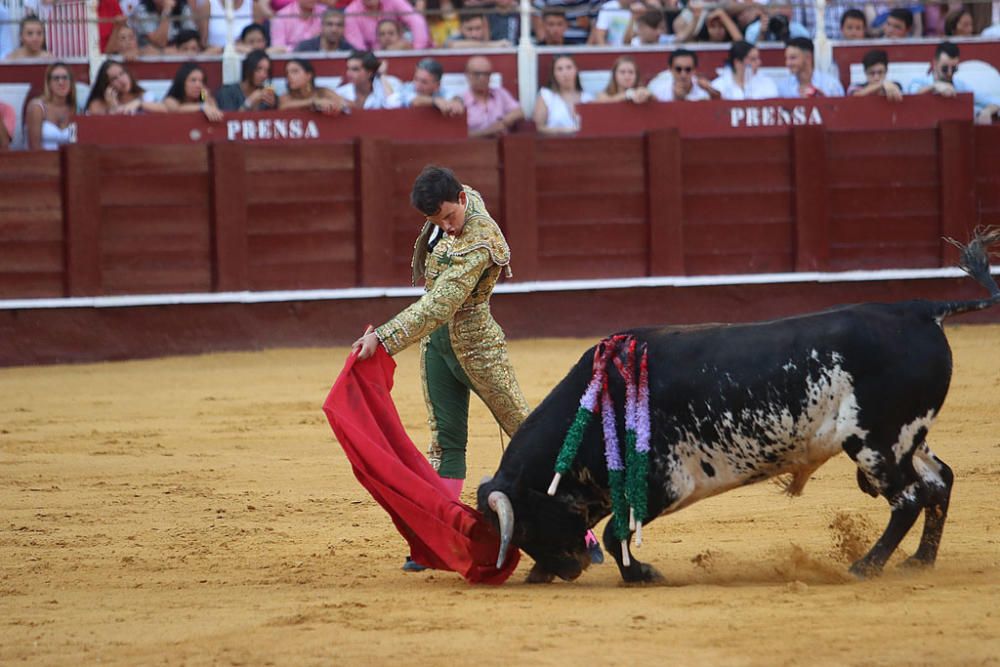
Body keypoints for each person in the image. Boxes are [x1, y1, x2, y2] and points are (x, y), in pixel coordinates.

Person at [351, 165, 532, 572]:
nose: (447, 228)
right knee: (445, 443)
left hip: (479, 347)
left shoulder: (481, 239)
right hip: (437, 347)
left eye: (450, 217)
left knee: (525, 430)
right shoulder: (453, 203)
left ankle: (580, 529)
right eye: (437, 222)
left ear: (463, 201)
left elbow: (440, 303)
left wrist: (383, 338)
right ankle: (438, 540)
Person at [908, 41, 1000, 125]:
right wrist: (934, 86)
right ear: (935, 64)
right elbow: (912, 96)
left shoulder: (960, 86)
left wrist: (987, 111)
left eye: (954, 69)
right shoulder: (920, 81)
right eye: (944, 68)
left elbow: (995, 101)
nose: (949, 73)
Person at [461, 55, 523, 137]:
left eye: (486, 74)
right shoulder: (460, 100)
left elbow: (519, 112)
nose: (482, 78)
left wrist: (503, 122)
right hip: (473, 147)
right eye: (477, 74)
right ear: (467, 74)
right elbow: (459, 134)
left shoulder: (500, 93)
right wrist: (488, 131)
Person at [533, 54, 593, 134]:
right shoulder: (546, 95)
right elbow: (539, 128)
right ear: (554, 74)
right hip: (553, 143)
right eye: (559, 69)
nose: (565, 73)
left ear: (576, 70)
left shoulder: (588, 98)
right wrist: (563, 131)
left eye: (569, 67)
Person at [84, 59, 168, 114]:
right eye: (114, 78)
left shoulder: (144, 96)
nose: (122, 80)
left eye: (122, 73)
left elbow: (165, 110)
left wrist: (139, 103)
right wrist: (113, 107)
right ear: (107, 85)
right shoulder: (98, 104)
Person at [25, 62, 76, 151]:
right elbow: (34, 147)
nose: (61, 82)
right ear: (49, 83)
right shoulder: (37, 107)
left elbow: (76, 144)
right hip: (41, 161)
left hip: (70, 162)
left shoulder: (76, 108)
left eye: (65, 78)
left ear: (71, 82)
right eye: (56, 78)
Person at [343, 0, 431, 50]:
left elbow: (417, 21)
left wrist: (415, 50)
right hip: (372, 60)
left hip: (402, 51)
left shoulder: (393, 1)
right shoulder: (351, 12)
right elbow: (357, 48)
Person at [776, 37, 845, 98]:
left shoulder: (831, 85)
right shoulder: (783, 87)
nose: (788, 63)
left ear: (808, 57)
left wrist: (823, 101)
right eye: (787, 58)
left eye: (793, 58)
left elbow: (841, 110)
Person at [711, 40, 778, 100]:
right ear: (737, 62)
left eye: (758, 58)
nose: (759, 63)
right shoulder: (718, 86)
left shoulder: (767, 83)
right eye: (753, 59)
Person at [335, 50, 401, 110]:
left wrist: (382, 75)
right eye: (348, 69)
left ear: (369, 73)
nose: (349, 73)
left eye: (355, 69)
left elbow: (395, 107)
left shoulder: (389, 84)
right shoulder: (341, 93)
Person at [278, 57, 347, 113]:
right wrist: (314, 102)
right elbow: (283, 107)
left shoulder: (323, 92)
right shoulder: (286, 97)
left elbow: (345, 104)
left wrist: (337, 105)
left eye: (295, 71)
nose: (289, 76)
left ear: (309, 75)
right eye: (287, 73)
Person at [399, 57, 464, 115]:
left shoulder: (440, 90)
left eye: (424, 82)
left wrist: (456, 101)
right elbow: (415, 101)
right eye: (416, 79)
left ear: (437, 85)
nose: (418, 85)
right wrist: (435, 101)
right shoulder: (406, 89)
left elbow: (453, 96)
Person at [649, 48, 717, 102]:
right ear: (670, 69)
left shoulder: (704, 90)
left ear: (694, 70)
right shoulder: (658, 88)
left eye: (688, 69)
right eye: (678, 69)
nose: (683, 75)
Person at [129, 0, 198, 50]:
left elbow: (192, 36)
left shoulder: (182, 5)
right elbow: (160, 42)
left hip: (176, 50)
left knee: (192, 45)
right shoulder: (142, 9)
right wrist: (167, 10)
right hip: (152, 53)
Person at [446, 13, 511, 48]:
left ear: (485, 27)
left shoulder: (495, 35)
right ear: (461, 29)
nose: (474, 34)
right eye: (469, 29)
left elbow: (505, 44)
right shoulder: (455, 38)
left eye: (478, 28)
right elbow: (453, 45)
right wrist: (490, 45)